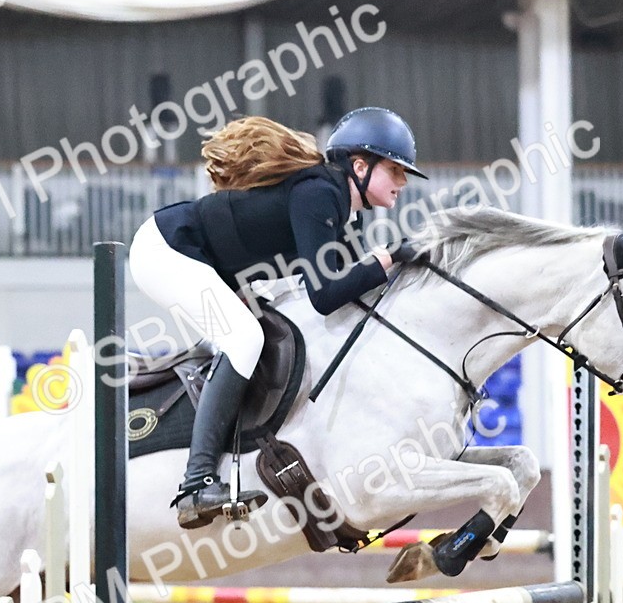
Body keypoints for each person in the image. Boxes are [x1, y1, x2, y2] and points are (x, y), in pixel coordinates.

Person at [128, 107, 428, 529]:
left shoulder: (343, 211)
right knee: (244, 338)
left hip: (208, 263)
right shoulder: (319, 194)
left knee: (260, 329)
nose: (403, 182)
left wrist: (394, 267)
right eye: (396, 170)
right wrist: (388, 257)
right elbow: (326, 295)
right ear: (360, 166)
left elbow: (345, 292)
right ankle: (195, 484)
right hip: (167, 250)